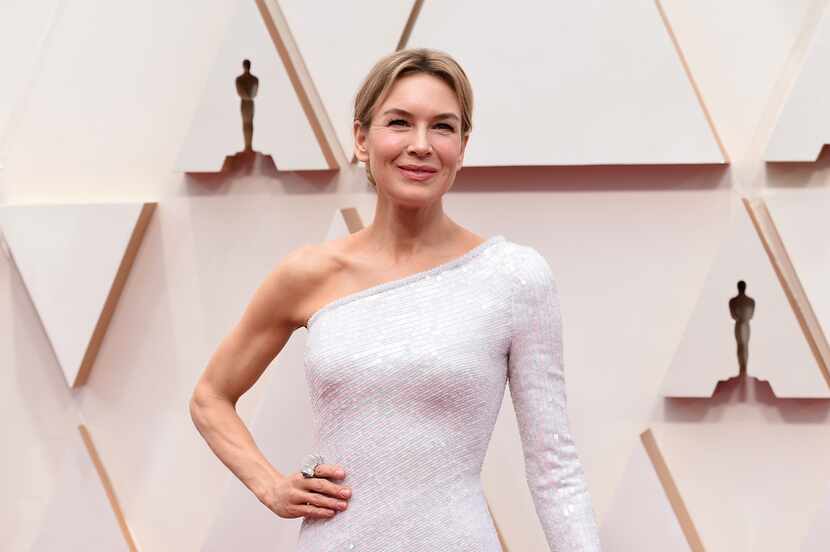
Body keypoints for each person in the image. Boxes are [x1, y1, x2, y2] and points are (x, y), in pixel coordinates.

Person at [190, 47, 602, 551]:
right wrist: (272, 486)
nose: (421, 145)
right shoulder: (309, 274)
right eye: (400, 123)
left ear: (463, 146)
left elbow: (554, 465)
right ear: (363, 139)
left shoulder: (514, 277)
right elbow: (210, 398)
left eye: (443, 127)